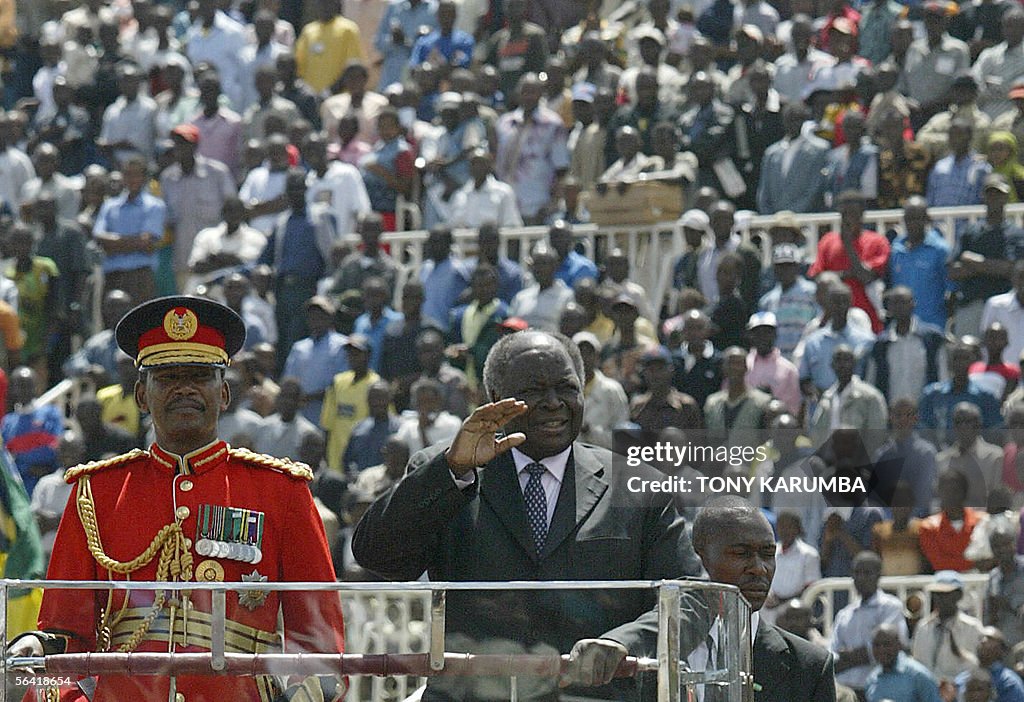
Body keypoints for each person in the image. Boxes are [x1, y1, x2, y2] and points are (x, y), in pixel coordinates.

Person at [7, 296, 346, 701]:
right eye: (166, 377)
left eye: (199, 375)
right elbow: (64, 635)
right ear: (140, 395)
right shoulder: (96, 493)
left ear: (223, 393)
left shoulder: (280, 491)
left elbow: (319, 642)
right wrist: (41, 658)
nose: (184, 388)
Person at [351, 330, 701, 701]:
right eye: (533, 391)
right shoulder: (450, 470)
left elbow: (691, 598)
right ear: (495, 400)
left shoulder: (637, 484)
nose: (553, 403)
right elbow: (379, 557)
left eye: (566, 387)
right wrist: (451, 470)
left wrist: (622, 643)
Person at [831, 551, 909, 694]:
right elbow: (834, 655)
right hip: (846, 690)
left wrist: (849, 656)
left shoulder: (891, 606)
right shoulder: (844, 614)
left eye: (867, 573)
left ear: (878, 575)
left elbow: (887, 650)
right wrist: (861, 654)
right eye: (857, 573)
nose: (861, 578)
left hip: (878, 689)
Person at [911, 570, 985, 684]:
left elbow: (977, 666)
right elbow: (918, 664)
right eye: (937, 594)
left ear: (958, 595)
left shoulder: (972, 627)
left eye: (946, 594)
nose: (940, 599)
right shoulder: (923, 627)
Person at [865, 623, 943, 702]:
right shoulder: (872, 679)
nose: (881, 650)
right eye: (876, 645)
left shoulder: (918, 675)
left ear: (898, 645)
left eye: (887, 644)